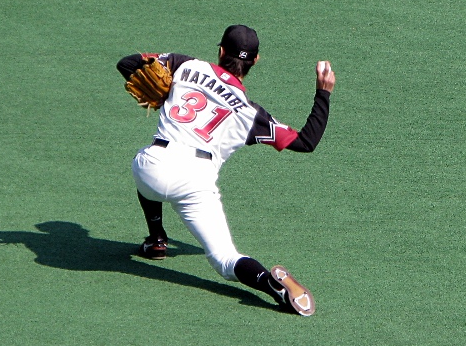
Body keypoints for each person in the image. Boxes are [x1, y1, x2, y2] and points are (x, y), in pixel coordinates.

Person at [116, 25, 335, 316]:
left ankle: (156, 239)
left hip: (153, 165)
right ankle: (272, 286)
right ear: (255, 61)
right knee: (225, 259)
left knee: (144, 160)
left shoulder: (185, 65)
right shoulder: (251, 113)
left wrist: (168, 90)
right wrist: (323, 93)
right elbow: (306, 141)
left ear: (220, 51)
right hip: (196, 181)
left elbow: (128, 63)